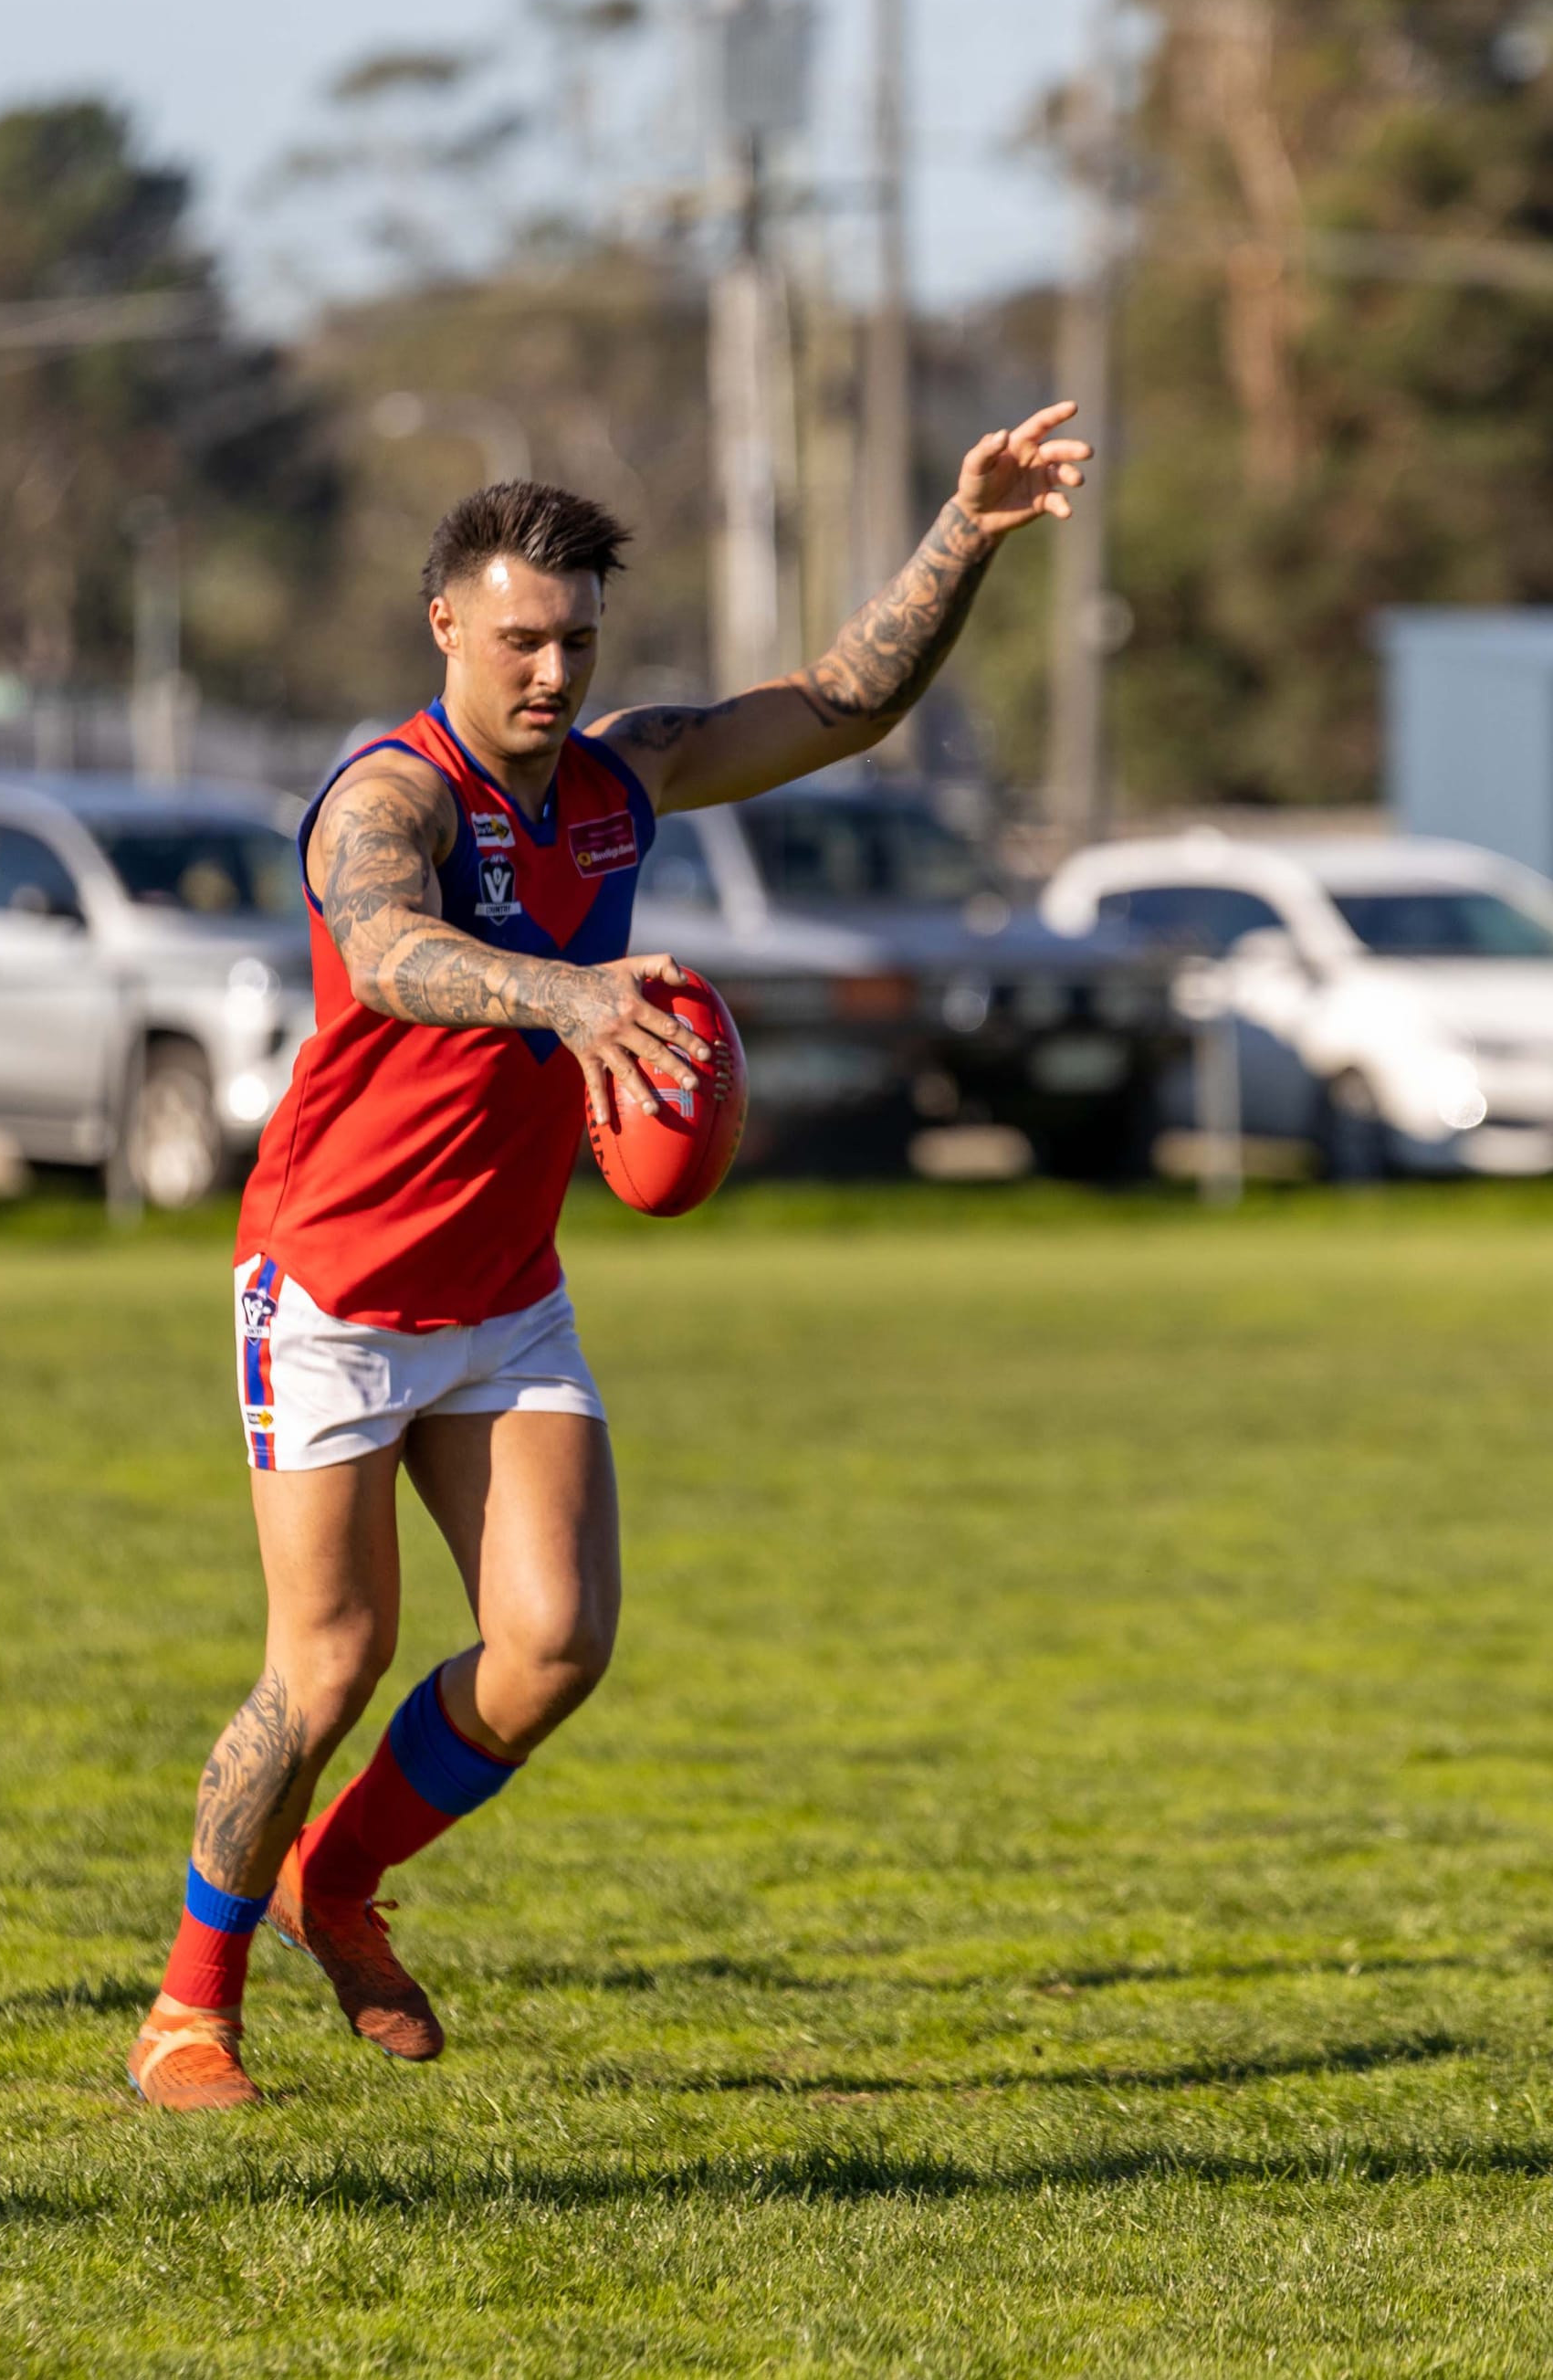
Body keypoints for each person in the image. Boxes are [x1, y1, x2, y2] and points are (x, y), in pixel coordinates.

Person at [126, 402, 1090, 2110]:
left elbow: (846, 702)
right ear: (445, 624)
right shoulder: (388, 795)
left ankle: (334, 1882)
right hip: (334, 1285)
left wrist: (969, 531)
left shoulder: (623, 779)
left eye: (576, 641)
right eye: (520, 640)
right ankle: (188, 2013)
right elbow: (387, 946)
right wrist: (564, 994)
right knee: (329, 1661)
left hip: (504, 1291)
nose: (553, 673)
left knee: (555, 1644)